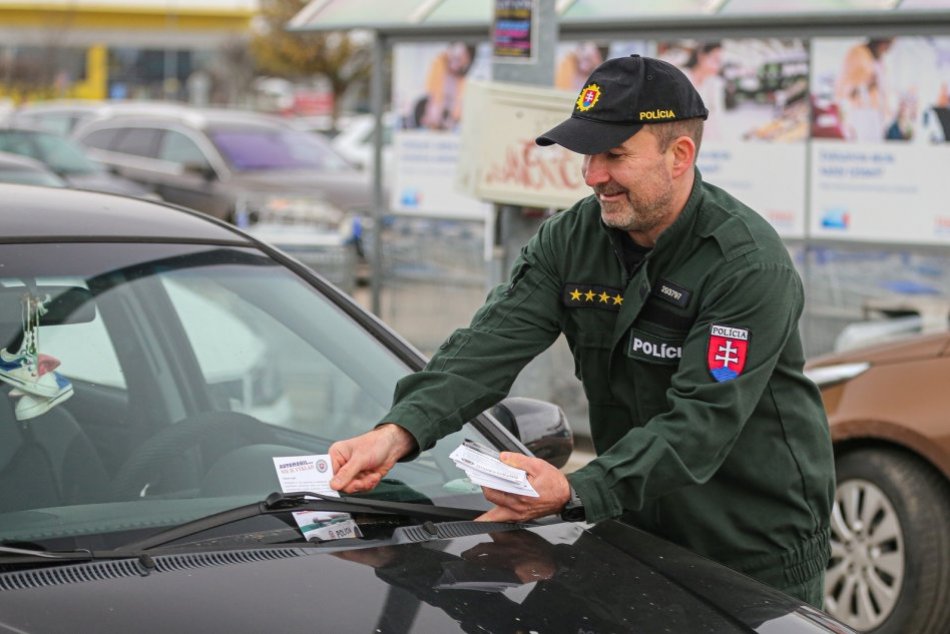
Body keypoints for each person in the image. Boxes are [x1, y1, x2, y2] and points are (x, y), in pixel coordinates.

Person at [329, 54, 835, 608]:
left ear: (680, 155)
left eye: (615, 155)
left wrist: (576, 489)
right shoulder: (571, 239)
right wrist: (397, 431)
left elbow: (701, 423)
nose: (593, 174)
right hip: (632, 531)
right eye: (589, 153)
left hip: (747, 550)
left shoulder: (745, 264)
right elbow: (489, 344)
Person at [834, 38, 894, 141]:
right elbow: (846, 88)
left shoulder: (879, 60)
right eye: (889, 43)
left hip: (875, 116)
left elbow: (882, 90)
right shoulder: (857, 53)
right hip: (859, 113)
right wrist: (867, 84)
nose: (889, 48)